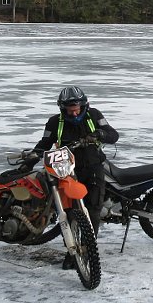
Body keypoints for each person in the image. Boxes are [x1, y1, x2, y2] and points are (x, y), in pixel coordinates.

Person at [33, 86, 119, 262]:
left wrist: (99, 134)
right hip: (67, 173)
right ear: (62, 109)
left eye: (77, 110)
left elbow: (113, 135)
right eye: (70, 111)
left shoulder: (94, 116)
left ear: (83, 106)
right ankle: (72, 251)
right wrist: (27, 162)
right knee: (70, 211)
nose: (73, 114)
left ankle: (87, 251)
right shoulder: (54, 122)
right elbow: (43, 145)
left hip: (93, 168)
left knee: (93, 209)